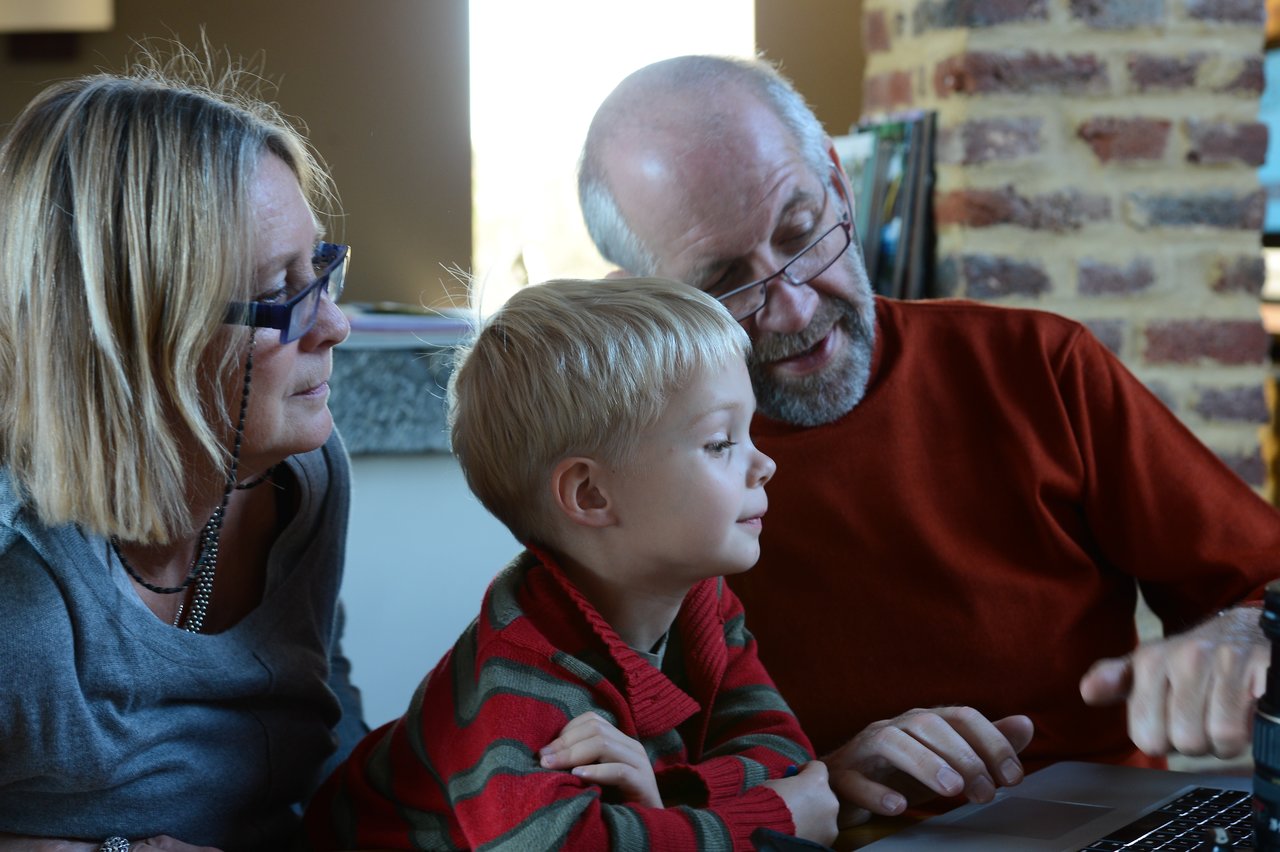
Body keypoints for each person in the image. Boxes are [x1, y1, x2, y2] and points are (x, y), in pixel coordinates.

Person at [577, 54, 1280, 825]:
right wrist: (823, 786)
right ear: (647, 298)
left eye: (803, 233)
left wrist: (1246, 633)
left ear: (843, 188)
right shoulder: (625, 482)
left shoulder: (1038, 369)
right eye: (724, 284)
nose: (794, 306)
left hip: (1107, 835)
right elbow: (620, 793)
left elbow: (1261, 585)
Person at [305, 277, 840, 850]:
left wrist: (661, 798)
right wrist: (768, 823)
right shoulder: (517, 678)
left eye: (748, 430)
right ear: (590, 495)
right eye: (719, 442)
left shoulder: (703, 605)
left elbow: (784, 756)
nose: (764, 464)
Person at [0, 46, 365, 850]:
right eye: (279, 294)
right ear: (137, 333)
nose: (334, 326)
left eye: (322, 269)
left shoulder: (306, 477)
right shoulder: (20, 598)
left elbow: (326, 718)